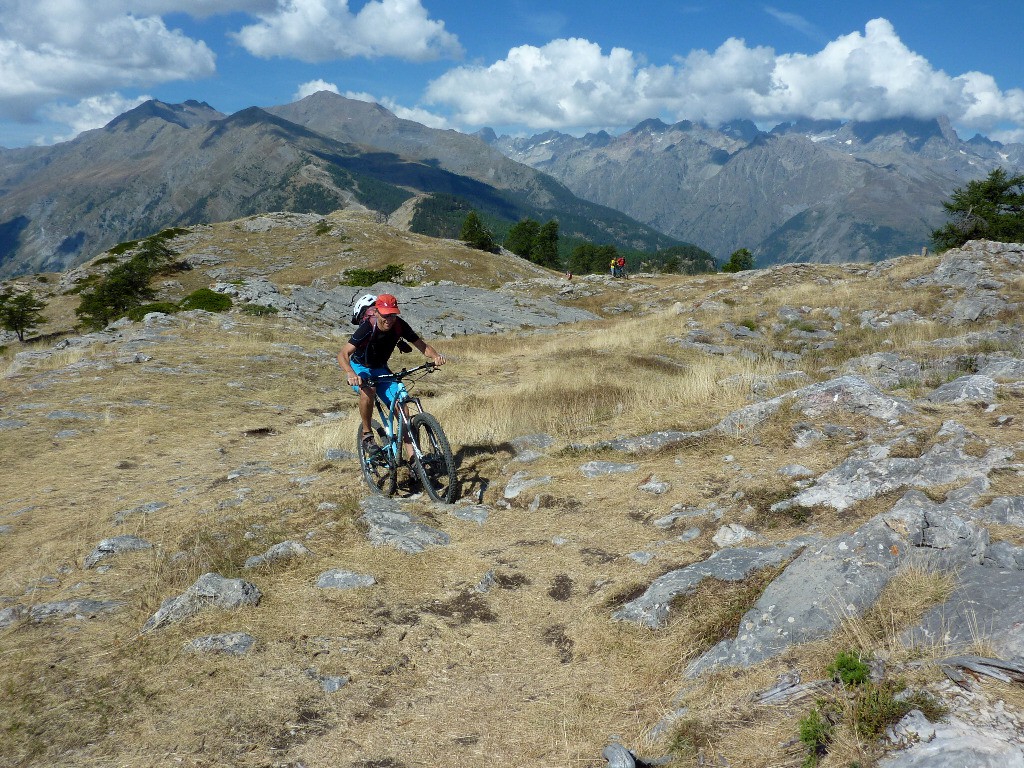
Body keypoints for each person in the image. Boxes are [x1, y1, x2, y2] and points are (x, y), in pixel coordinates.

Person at [338, 294, 446, 457]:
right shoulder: (367, 327)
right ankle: (367, 434)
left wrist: (435, 356)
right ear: (376, 313)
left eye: (393, 314)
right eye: (385, 315)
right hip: (360, 366)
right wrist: (351, 373)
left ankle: (414, 460)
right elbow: (343, 354)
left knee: (403, 410)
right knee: (368, 390)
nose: (389, 319)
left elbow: (421, 345)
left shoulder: (400, 326)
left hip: (381, 368)